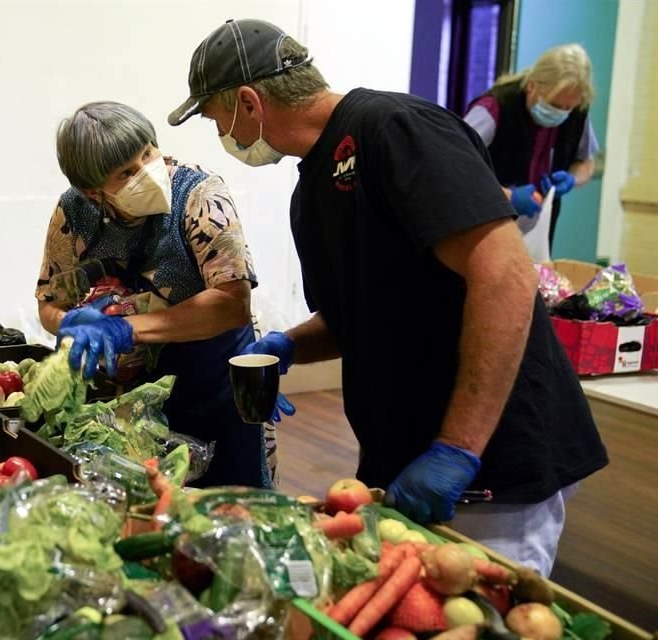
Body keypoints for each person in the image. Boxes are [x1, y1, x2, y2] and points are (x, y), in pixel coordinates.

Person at [168, 19, 608, 575]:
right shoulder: (311, 190)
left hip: (489, 461)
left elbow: (506, 278)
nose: (220, 137)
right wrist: (290, 346)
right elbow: (358, 314)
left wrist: (459, 448)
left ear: (249, 103)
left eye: (215, 118)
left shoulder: (396, 129)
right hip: (400, 454)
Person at [36, 101, 292, 489]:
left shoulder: (201, 196)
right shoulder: (75, 213)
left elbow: (231, 304)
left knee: (231, 505)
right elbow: (49, 301)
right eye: (126, 173)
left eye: (147, 153)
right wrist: (69, 322)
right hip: (126, 405)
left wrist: (126, 329)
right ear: (93, 193)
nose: (147, 172)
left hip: (214, 385)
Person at [464, 44, 598, 249]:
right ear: (532, 86)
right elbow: (455, 169)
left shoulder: (577, 114)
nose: (560, 113)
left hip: (537, 237)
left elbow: (586, 162)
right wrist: (508, 196)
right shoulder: (494, 109)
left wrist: (572, 179)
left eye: (567, 108)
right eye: (553, 104)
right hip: (485, 230)